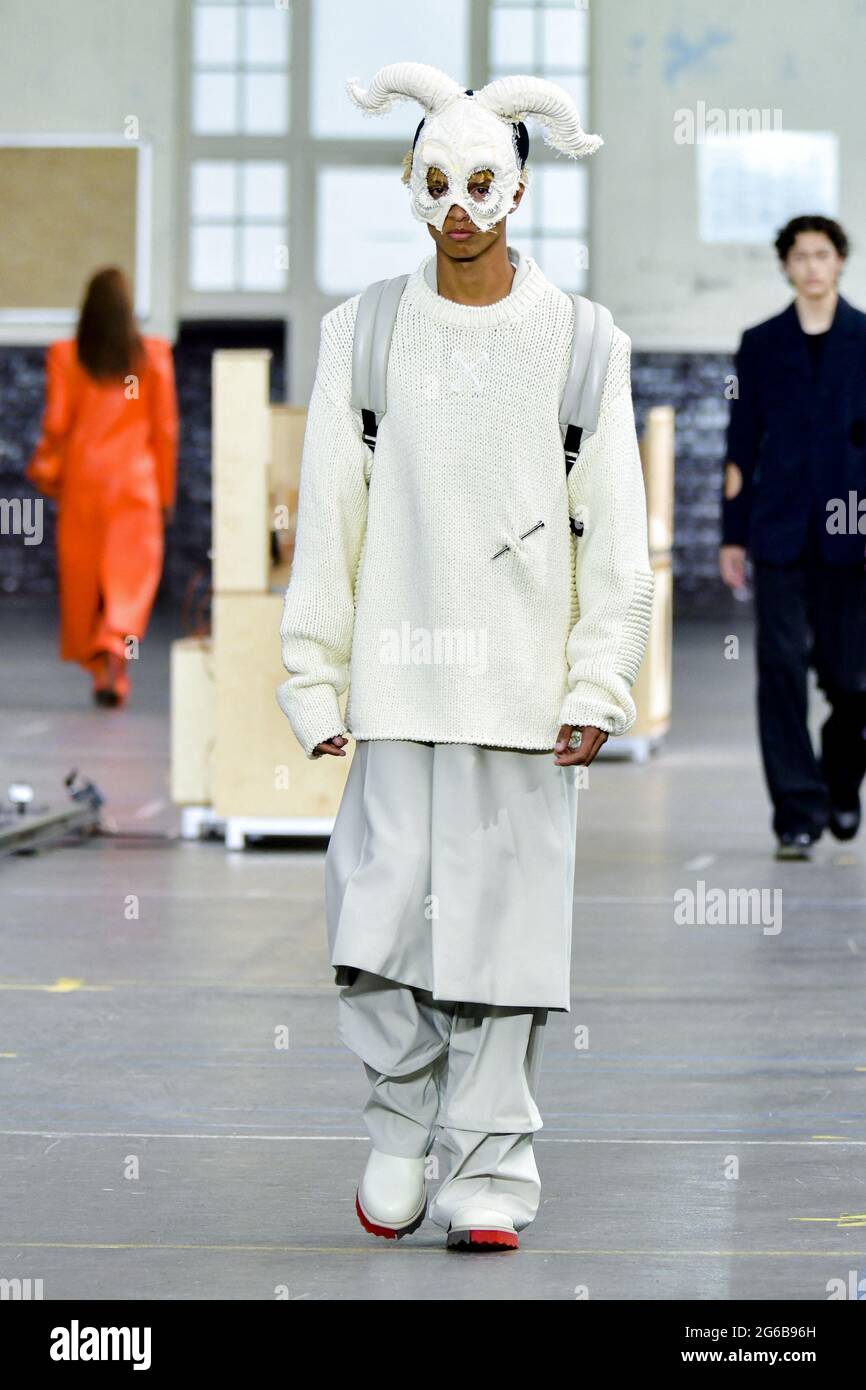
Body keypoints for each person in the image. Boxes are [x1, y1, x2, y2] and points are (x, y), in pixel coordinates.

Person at [277, 62, 654, 1251]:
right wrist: (311, 670)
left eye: (482, 182)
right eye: (436, 180)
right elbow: (329, 508)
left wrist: (599, 681)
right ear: (409, 180)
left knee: (502, 942)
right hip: (394, 687)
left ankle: (492, 1157)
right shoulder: (365, 333)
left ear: (520, 191)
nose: (457, 206)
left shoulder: (583, 342)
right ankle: (403, 1120)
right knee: (370, 930)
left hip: (521, 697)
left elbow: (620, 536)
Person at [719, 216, 866, 859]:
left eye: (822, 255)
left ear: (840, 263)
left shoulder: (865, 339)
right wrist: (732, 535)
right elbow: (740, 443)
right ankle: (797, 814)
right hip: (777, 532)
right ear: (785, 266)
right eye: (800, 256)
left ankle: (840, 782)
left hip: (852, 532)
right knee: (779, 672)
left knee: (852, 681)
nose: (811, 266)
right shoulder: (760, 344)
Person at [26, 266, 178, 707]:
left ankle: (101, 669)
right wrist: (166, 495)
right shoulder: (153, 356)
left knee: (88, 582)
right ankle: (116, 656)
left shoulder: (66, 355)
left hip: (84, 484)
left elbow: (57, 423)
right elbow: (164, 430)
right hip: (136, 487)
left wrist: (46, 469)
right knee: (129, 581)